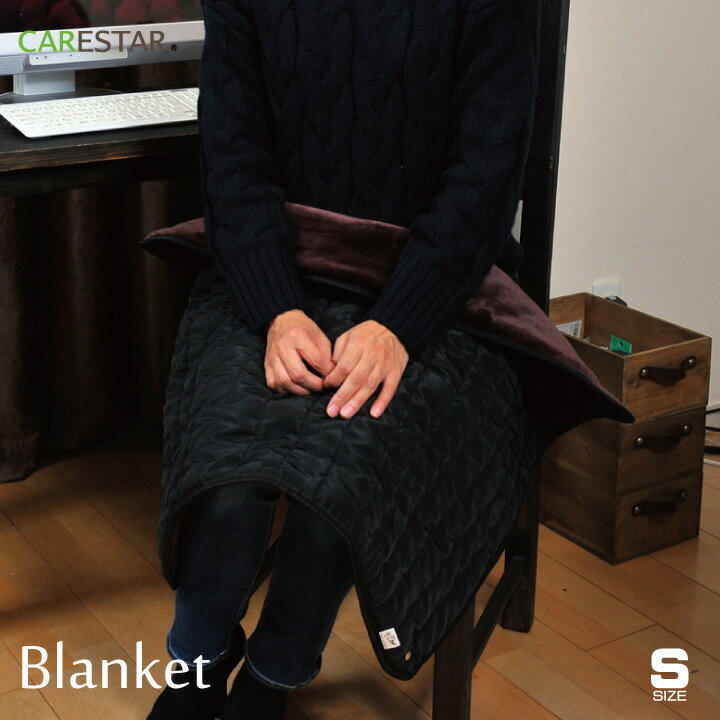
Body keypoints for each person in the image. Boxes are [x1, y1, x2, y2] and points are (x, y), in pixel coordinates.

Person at [147, 1, 542, 718]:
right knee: (227, 465)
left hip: (435, 285)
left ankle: (271, 678)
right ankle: (198, 663)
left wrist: (397, 323)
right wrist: (275, 308)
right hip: (277, 267)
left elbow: (485, 179)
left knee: (342, 470)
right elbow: (234, 156)